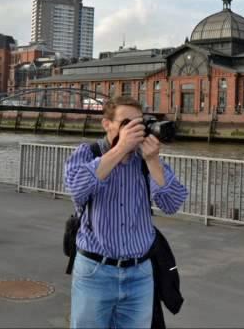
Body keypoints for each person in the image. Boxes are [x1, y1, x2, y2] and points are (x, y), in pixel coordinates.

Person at [64, 96, 188, 329]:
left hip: (140, 274)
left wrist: (153, 160)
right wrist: (120, 148)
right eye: (126, 123)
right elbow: (76, 189)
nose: (134, 129)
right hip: (95, 272)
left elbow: (173, 204)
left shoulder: (144, 160)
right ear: (106, 124)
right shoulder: (88, 153)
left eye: (138, 123)